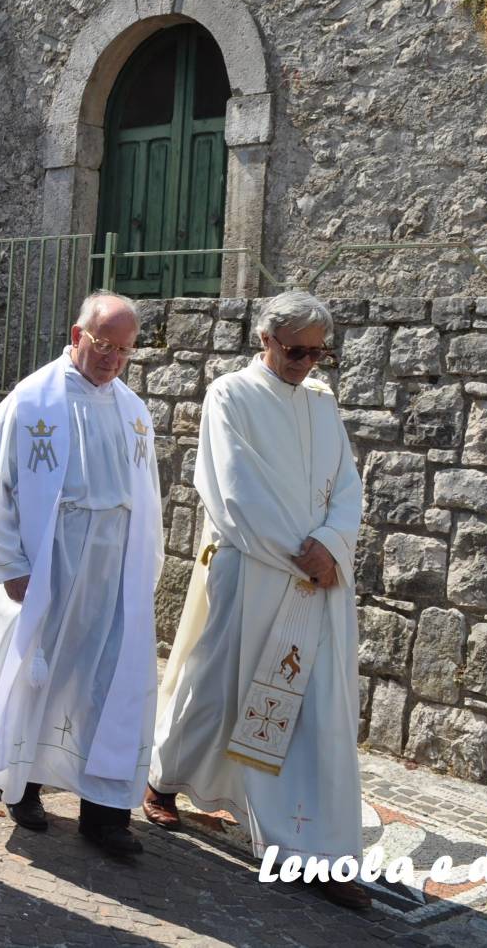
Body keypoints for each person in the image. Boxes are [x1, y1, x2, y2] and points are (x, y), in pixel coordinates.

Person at [146, 291, 367, 910]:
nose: (306, 363)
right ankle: (164, 779)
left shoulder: (323, 404)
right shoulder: (230, 396)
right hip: (258, 573)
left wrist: (330, 545)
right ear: (265, 340)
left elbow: (347, 485)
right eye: (295, 350)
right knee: (219, 686)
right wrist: (302, 555)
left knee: (315, 711)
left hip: (318, 581)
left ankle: (306, 849)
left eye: (317, 353)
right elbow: (233, 492)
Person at [0, 292, 163, 862]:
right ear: (77, 334)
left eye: (124, 350)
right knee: (41, 675)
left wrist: (144, 565)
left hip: (114, 565)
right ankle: (24, 788)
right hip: (50, 559)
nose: (112, 359)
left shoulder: (133, 408)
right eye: (104, 345)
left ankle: (104, 815)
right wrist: (9, 564)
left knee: (110, 681)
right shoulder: (31, 401)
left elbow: (148, 494)